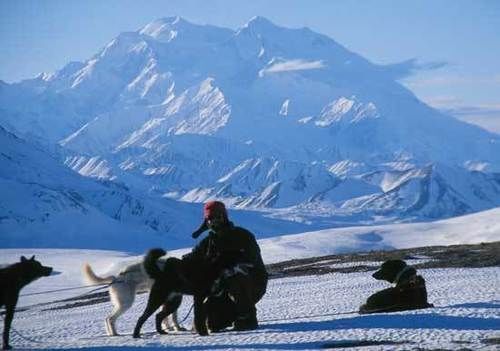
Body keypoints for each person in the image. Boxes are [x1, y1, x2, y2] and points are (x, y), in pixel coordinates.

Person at [187, 200, 268, 331]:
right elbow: (191, 259)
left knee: (235, 272)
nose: (214, 221)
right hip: (223, 290)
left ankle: (247, 317)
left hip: (252, 285)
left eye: (217, 217)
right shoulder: (208, 242)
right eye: (210, 218)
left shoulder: (243, 236)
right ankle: (231, 314)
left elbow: (253, 262)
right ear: (206, 221)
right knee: (211, 324)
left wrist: (227, 268)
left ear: (224, 217)